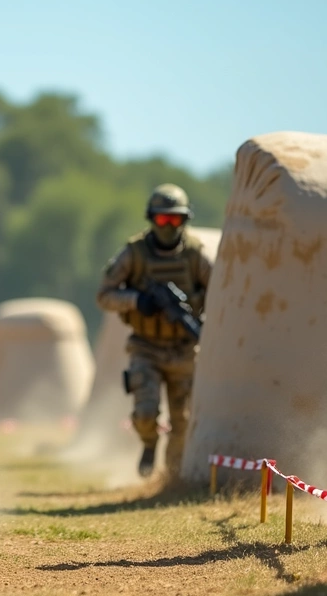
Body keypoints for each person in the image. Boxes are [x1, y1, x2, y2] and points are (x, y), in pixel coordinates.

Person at [96, 184, 211, 479]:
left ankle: (170, 477)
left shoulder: (195, 254)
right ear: (151, 218)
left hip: (184, 349)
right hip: (145, 347)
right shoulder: (133, 254)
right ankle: (149, 444)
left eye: (175, 219)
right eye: (162, 219)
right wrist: (137, 300)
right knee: (145, 413)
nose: (169, 226)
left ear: (185, 220)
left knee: (183, 421)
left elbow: (219, 291)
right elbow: (104, 295)